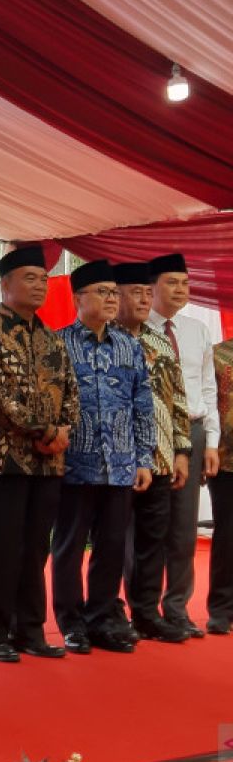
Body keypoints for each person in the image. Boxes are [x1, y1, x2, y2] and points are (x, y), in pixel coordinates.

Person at [0, 245, 78, 663]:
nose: (40, 286)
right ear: (6, 283)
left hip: (49, 462)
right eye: (30, 278)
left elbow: (71, 394)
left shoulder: (52, 338)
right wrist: (44, 429)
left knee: (34, 548)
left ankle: (29, 629)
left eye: (44, 279)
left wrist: (63, 429)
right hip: (3, 459)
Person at [52, 260, 153, 655]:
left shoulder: (129, 345)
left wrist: (143, 458)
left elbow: (141, 405)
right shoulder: (59, 344)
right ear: (78, 297)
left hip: (121, 464)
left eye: (114, 292)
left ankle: (103, 620)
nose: (112, 299)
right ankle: (71, 622)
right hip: (74, 464)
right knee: (69, 547)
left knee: (111, 547)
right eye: (103, 292)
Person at [112, 261, 191, 644]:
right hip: (114, 461)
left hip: (160, 458)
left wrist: (181, 452)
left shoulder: (160, 343)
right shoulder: (104, 339)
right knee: (111, 540)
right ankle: (109, 613)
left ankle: (147, 612)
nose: (144, 300)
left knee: (152, 541)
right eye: (136, 293)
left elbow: (178, 401)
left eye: (147, 293)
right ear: (117, 296)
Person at [146, 253, 219, 638]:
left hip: (192, 431)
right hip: (152, 434)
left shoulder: (196, 331)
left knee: (183, 529)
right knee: (146, 526)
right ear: (152, 287)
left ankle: (176, 608)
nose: (181, 290)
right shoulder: (139, 330)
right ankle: (144, 610)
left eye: (186, 283)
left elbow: (208, 386)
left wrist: (212, 440)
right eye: (172, 282)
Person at [208, 336, 233, 635]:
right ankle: (221, 608)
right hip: (226, 458)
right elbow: (207, 403)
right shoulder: (218, 354)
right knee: (228, 533)